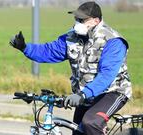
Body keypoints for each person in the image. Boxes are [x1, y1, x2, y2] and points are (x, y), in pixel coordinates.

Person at [10, 2, 132, 135]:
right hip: (84, 94)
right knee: (78, 131)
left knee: (91, 123)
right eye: (76, 19)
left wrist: (83, 94)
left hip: (112, 92)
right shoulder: (71, 37)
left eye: (82, 20)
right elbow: (49, 51)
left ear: (96, 21)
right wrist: (25, 48)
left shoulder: (113, 41)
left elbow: (106, 76)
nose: (77, 23)